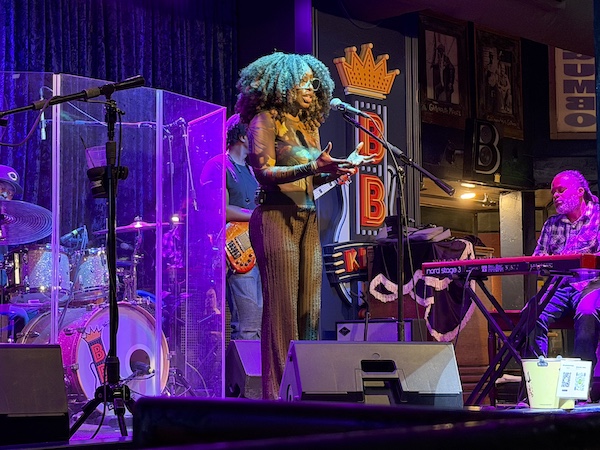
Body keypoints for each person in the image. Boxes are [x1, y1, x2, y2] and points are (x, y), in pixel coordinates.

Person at [235, 52, 373, 399]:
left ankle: (305, 393)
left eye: (314, 82)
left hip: (306, 218)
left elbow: (310, 176)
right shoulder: (264, 120)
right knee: (282, 312)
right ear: (282, 85)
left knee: (310, 310)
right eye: (303, 82)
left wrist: (338, 168)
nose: (311, 88)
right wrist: (313, 167)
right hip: (275, 217)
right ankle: (277, 398)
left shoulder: (310, 127)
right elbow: (264, 173)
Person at [529, 170, 600, 380]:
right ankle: (538, 381)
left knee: (587, 313)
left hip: (592, 284)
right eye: (553, 192)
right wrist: (546, 263)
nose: (555, 196)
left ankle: (581, 384)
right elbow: (537, 260)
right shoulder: (552, 224)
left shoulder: (597, 216)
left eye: (561, 190)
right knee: (531, 314)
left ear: (580, 192)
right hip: (559, 286)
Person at [223, 113, 263, 340]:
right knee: (247, 326)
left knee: (258, 325)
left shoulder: (252, 171)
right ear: (241, 135)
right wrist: (255, 215)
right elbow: (221, 210)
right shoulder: (220, 165)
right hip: (237, 251)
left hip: (256, 250)